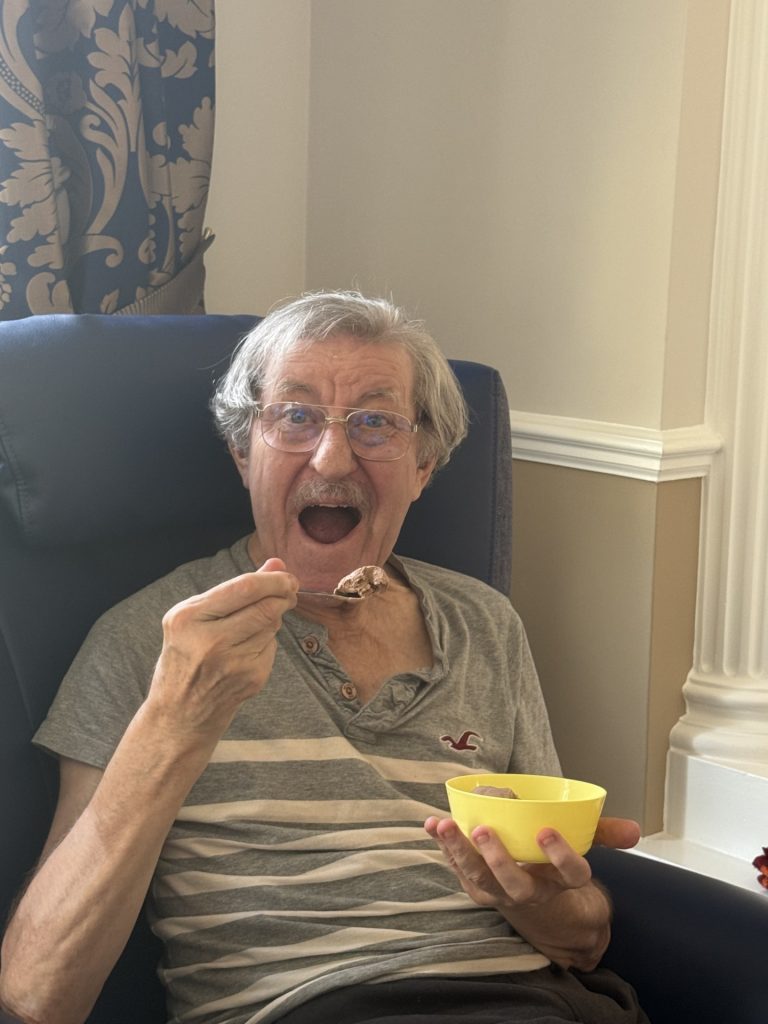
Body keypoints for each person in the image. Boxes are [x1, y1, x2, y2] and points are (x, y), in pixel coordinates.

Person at [0, 291, 647, 1024]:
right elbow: (36, 993)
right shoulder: (146, 639)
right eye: (296, 416)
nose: (333, 457)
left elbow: (584, 942)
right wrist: (175, 723)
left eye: (376, 422)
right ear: (243, 451)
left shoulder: (484, 623)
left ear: (424, 465)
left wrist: (544, 901)